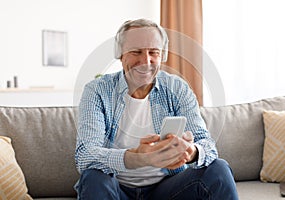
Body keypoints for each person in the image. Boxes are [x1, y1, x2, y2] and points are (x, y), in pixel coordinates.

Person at [75, 18, 238, 200]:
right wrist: (137, 157)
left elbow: (207, 145)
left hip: (167, 189)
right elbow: (85, 155)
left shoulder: (177, 88)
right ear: (121, 54)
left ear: (163, 55)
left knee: (219, 169)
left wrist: (191, 152)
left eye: (153, 52)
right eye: (136, 52)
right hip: (116, 189)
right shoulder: (97, 90)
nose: (146, 61)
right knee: (93, 177)